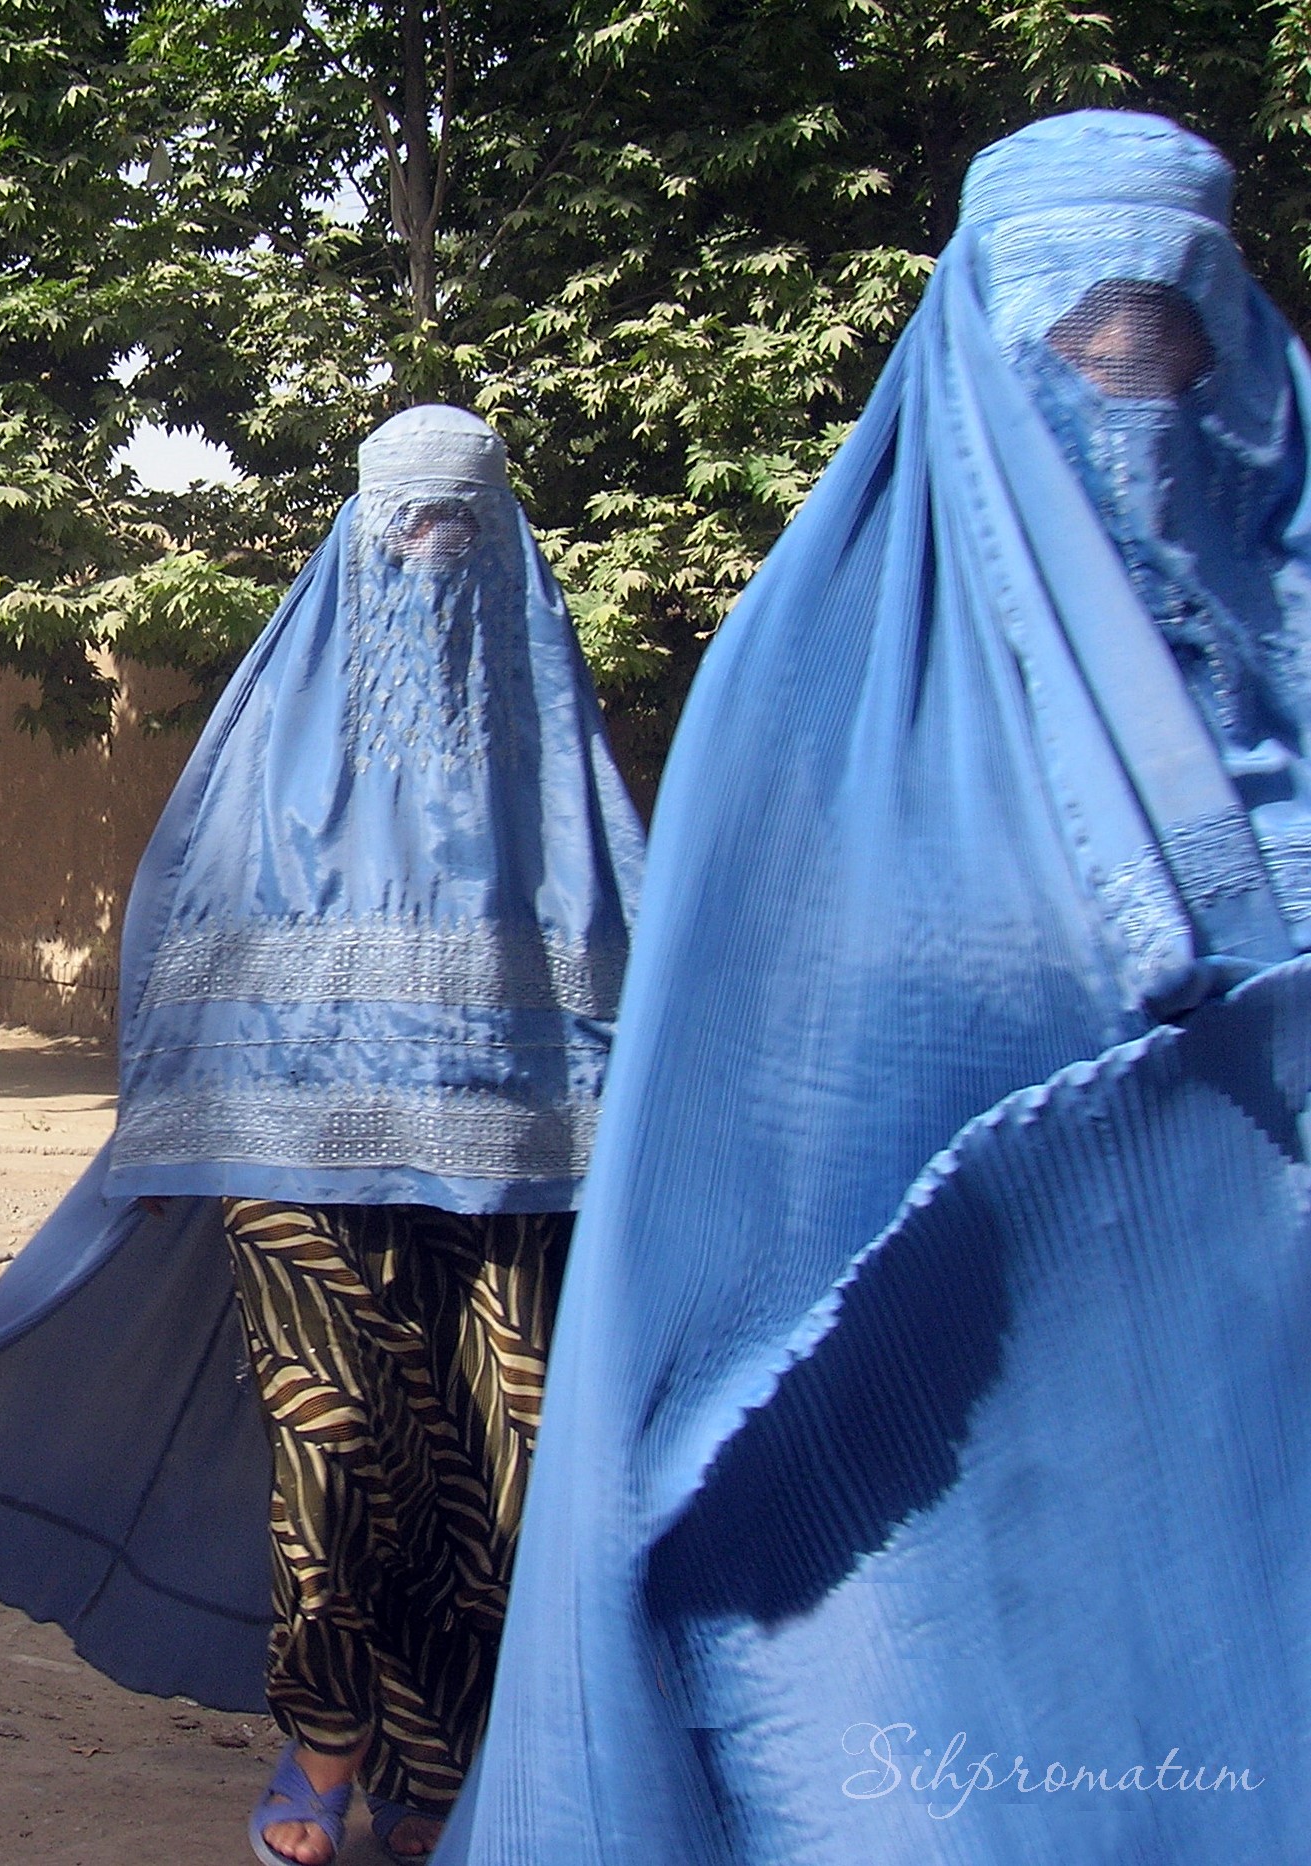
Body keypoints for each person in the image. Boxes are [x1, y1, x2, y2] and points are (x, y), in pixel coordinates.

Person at [439, 111, 1311, 1864]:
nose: (1123, 376)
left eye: (1170, 330)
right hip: (878, 1527)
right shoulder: (804, 687)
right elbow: (719, 1143)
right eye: (1071, 338)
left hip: (1255, 1508)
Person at [0, 406, 643, 1864]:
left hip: (511, 1172)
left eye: (458, 532)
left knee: (497, 1468)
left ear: (501, 546)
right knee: (337, 1455)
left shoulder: (555, 766)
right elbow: (185, 930)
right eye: (406, 531)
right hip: (294, 1158)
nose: (430, 560)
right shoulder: (269, 746)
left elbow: (620, 964)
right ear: (358, 539)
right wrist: (165, 1138)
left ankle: (439, 1759)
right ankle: (326, 1742)